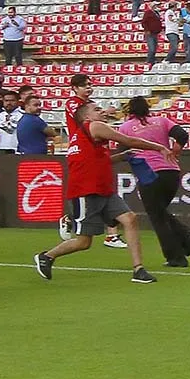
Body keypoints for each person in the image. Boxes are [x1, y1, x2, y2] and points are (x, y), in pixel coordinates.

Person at [34, 102, 171, 284]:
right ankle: (47, 256)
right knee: (84, 242)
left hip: (103, 190)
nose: (103, 111)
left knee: (130, 218)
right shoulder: (95, 126)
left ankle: (138, 269)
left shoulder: (83, 136)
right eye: (97, 109)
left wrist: (122, 157)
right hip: (85, 191)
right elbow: (127, 140)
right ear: (86, 117)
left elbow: (99, 161)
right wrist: (159, 147)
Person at [118, 96, 190, 268]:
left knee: (157, 217)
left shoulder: (125, 127)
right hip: (171, 171)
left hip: (148, 173)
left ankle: (176, 256)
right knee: (159, 211)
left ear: (130, 111)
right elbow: (182, 134)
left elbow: (122, 151)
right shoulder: (161, 120)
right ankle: (185, 236)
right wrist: (177, 147)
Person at [65, 73, 126, 249]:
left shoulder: (90, 107)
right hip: (83, 145)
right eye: (85, 85)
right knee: (93, 189)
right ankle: (70, 218)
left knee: (103, 186)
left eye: (90, 85)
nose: (89, 88)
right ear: (75, 88)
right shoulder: (74, 103)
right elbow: (80, 116)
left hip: (94, 143)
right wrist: (105, 113)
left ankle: (111, 234)